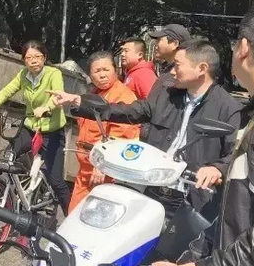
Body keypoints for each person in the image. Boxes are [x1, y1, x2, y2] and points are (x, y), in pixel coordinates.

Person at [152, 3, 254, 266]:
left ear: (243, 48)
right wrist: (198, 261)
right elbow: (238, 212)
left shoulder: (230, 106)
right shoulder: (251, 114)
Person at [46, 40, 242, 222]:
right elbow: (130, 110)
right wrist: (80, 101)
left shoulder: (227, 107)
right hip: (152, 187)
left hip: (191, 197)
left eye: (178, 65)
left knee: (177, 254)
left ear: (201, 69)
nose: (172, 72)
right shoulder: (167, 93)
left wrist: (217, 169)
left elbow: (234, 154)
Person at [0, 40, 71, 215]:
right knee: (8, 158)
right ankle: (11, 195)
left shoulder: (54, 74)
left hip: (51, 132)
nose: (34, 61)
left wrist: (46, 108)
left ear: (44, 58)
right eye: (29, 58)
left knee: (56, 180)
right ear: (24, 60)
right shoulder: (23, 75)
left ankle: (70, 217)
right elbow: (7, 90)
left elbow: (59, 95)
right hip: (30, 127)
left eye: (37, 57)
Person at [68, 51, 140, 212]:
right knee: (74, 214)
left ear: (115, 70)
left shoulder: (124, 96)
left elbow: (122, 135)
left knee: (96, 217)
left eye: (106, 70)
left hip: (105, 171)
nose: (102, 75)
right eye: (97, 71)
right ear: (90, 76)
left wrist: (102, 164)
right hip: (85, 168)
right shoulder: (93, 95)